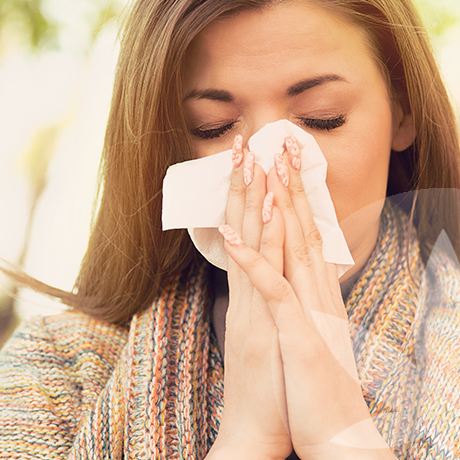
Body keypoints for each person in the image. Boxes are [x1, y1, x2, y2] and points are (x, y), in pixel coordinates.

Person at [1, 0, 460, 459]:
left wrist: (341, 436)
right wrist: (246, 439)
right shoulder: (56, 369)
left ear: (403, 112)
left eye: (322, 116)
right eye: (214, 127)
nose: (268, 167)